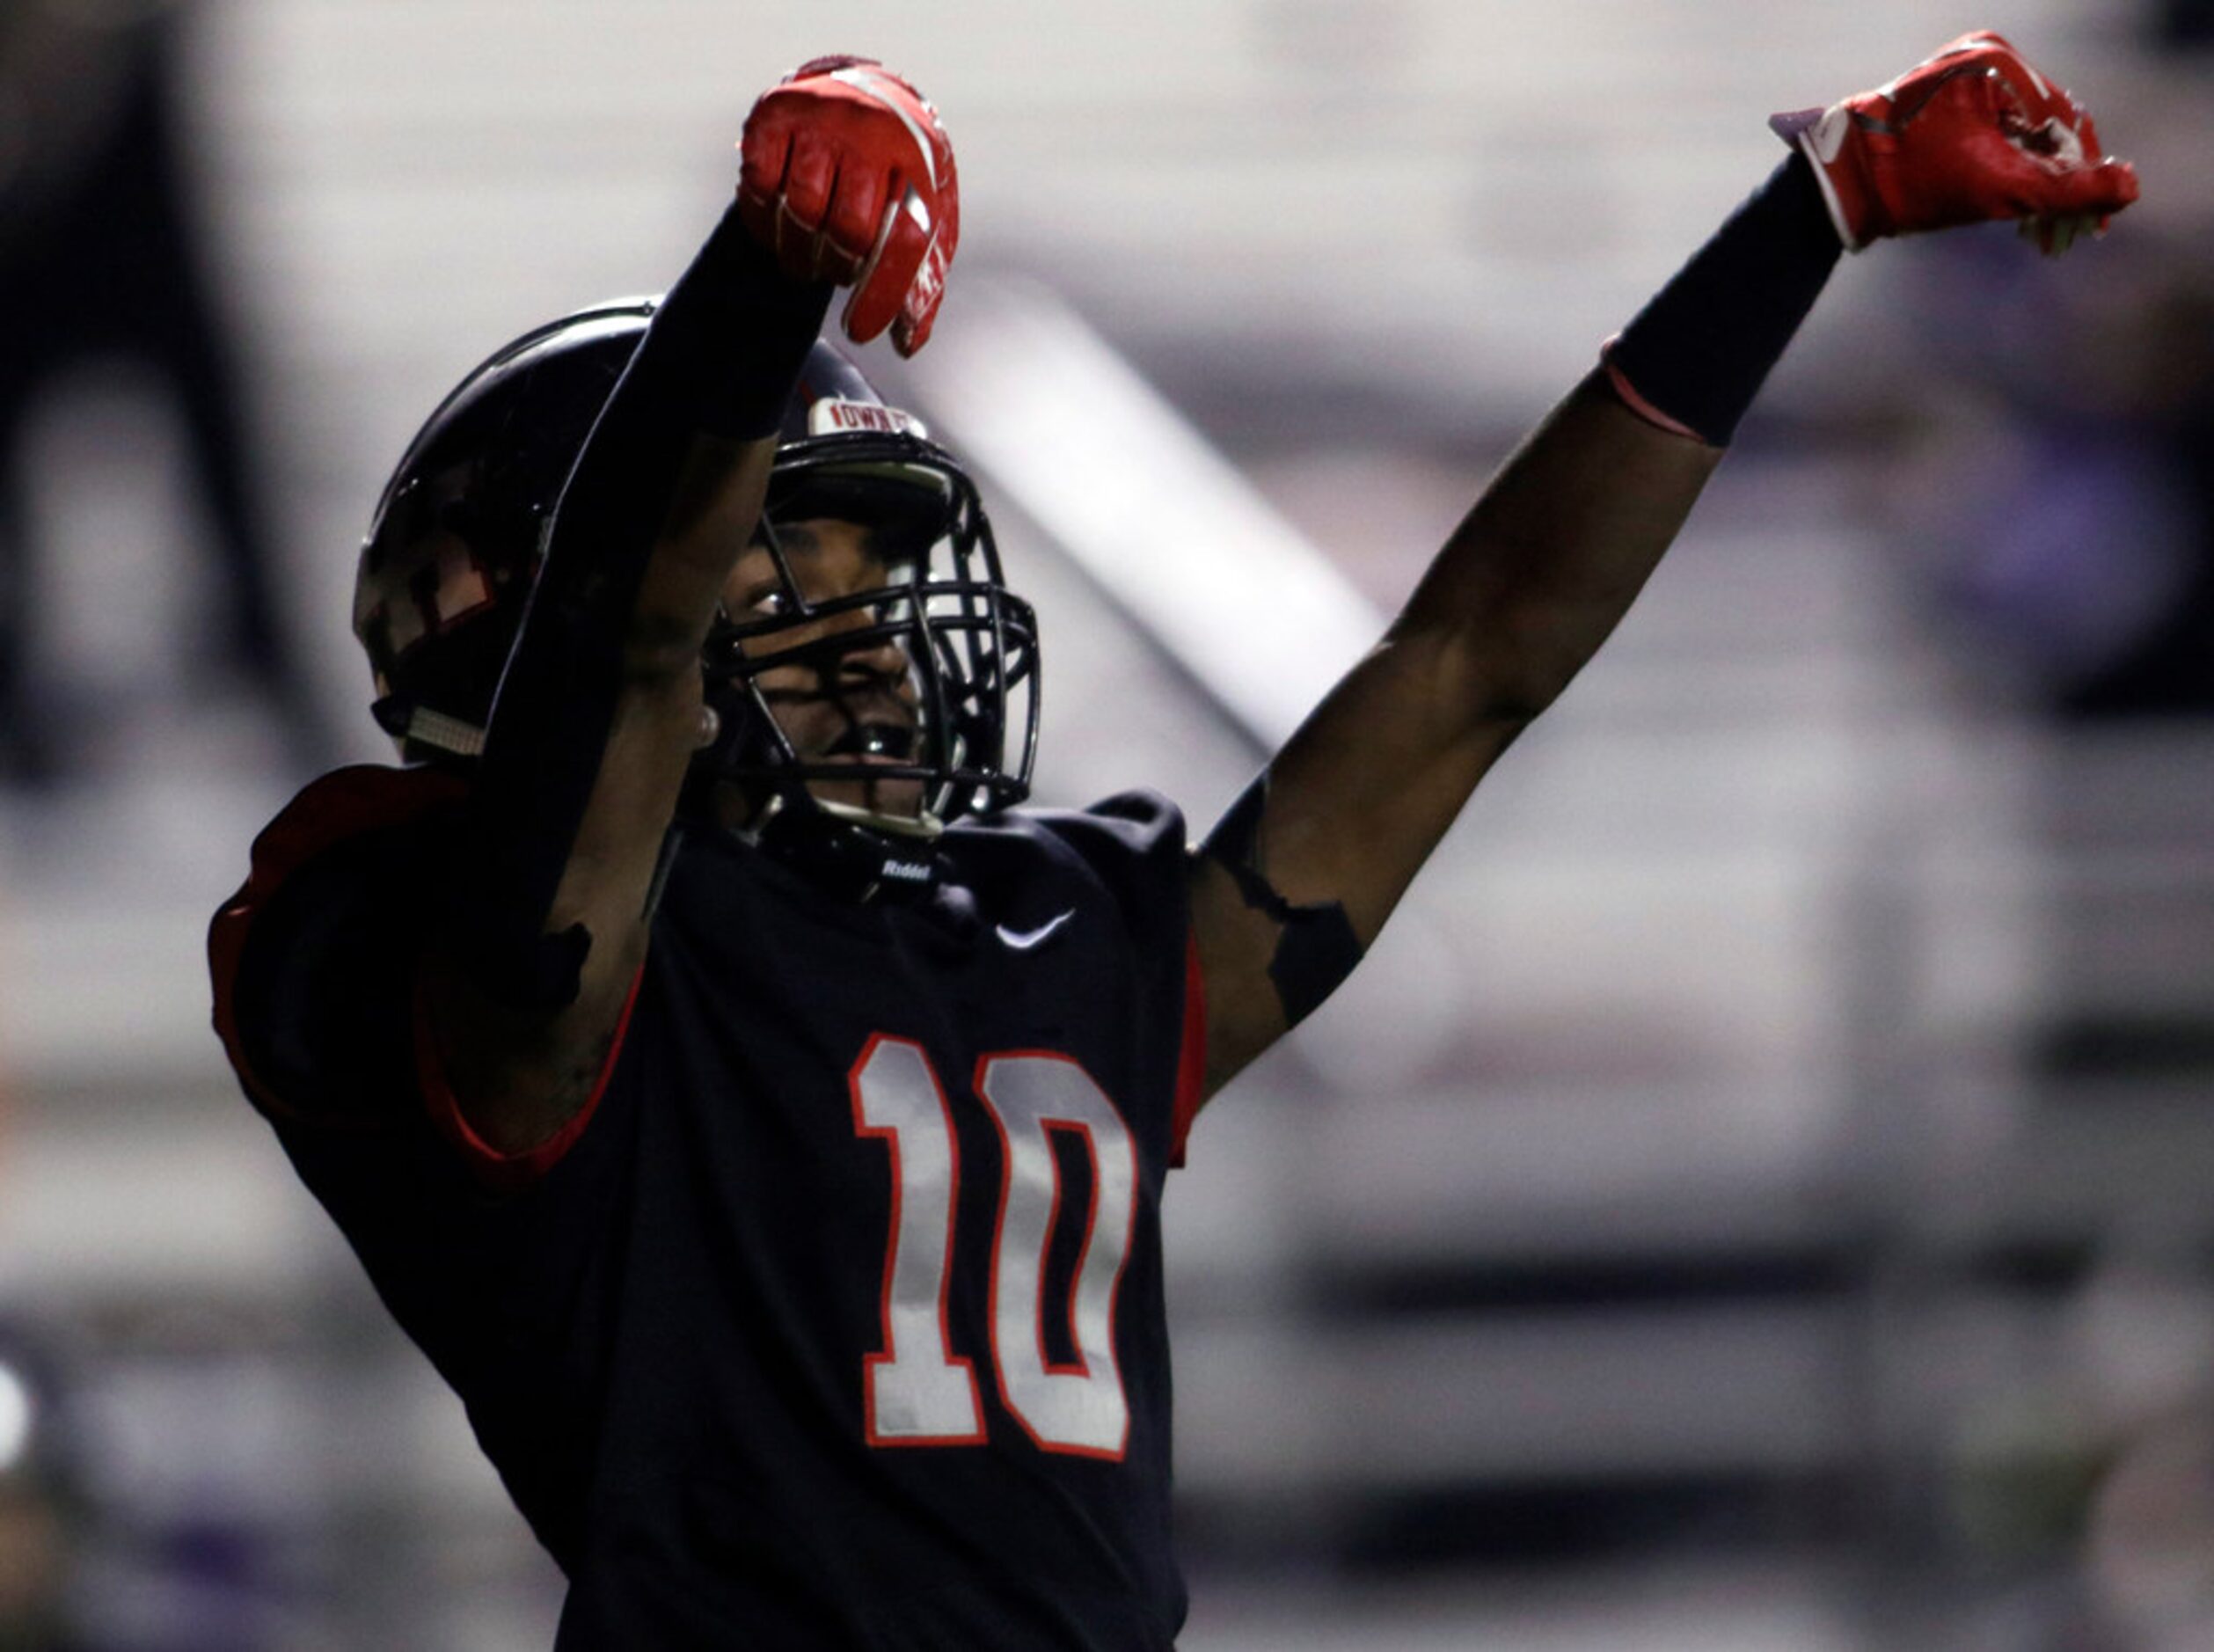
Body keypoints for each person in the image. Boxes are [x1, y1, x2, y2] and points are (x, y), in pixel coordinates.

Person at [207, 37, 2138, 1649]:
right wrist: (759, 279)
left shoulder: (1048, 934)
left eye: (886, 582)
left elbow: (1467, 664)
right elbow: (625, 649)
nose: (877, 639)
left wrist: (1805, 214)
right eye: (795, 575)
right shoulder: (472, 973)